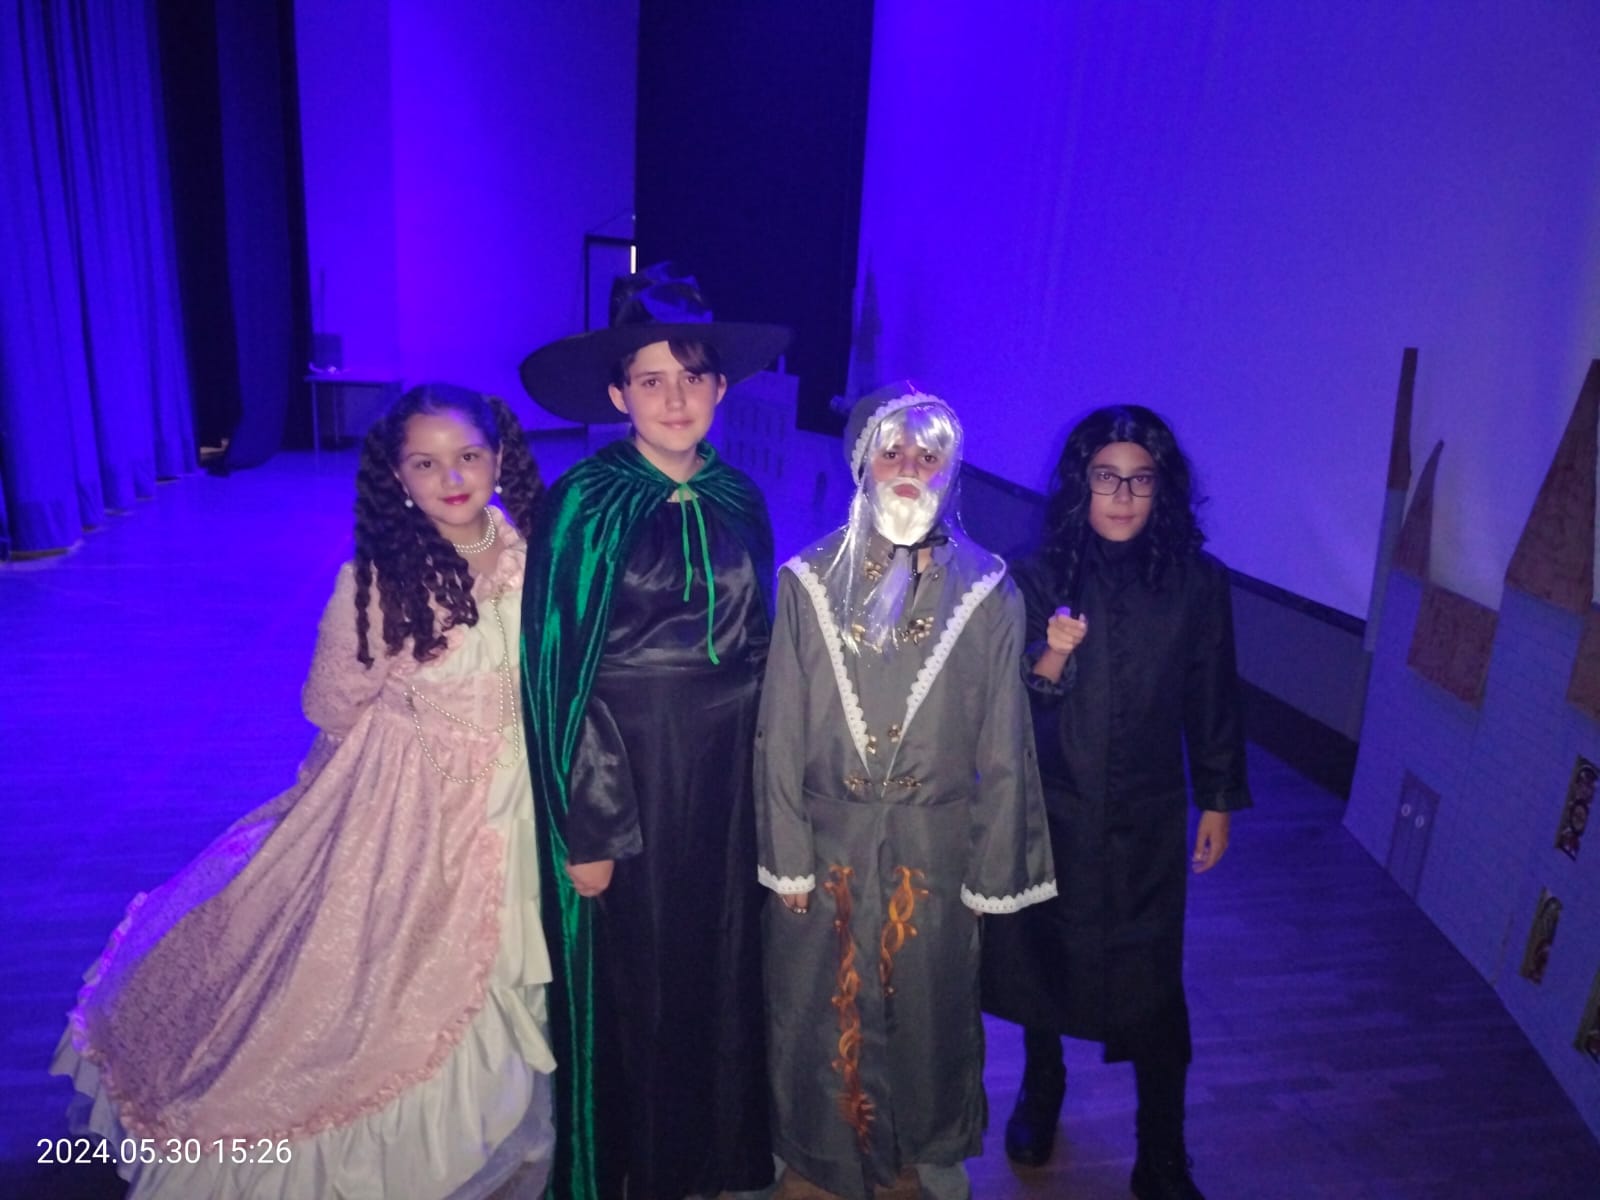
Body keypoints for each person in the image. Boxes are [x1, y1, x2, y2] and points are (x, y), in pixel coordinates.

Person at [52, 383, 555, 1198]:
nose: (453, 478)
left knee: (514, 952)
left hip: (528, 789)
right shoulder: (379, 582)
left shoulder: (538, 554)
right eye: (426, 464)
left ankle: (510, 1100)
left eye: (468, 456)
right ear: (397, 478)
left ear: (500, 459)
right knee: (400, 968)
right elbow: (331, 701)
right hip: (419, 801)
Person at [517, 266, 790, 1200]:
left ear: (721, 387)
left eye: (693, 377)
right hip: (627, 775)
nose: (675, 399)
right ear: (617, 396)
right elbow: (560, 675)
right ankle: (630, 1162)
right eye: (651, 380)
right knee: (638, 975)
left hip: (730, 774)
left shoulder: (740, 496)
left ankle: (710, 1154)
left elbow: (767, 645)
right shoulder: (583, 503)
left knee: (720, 959)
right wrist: (587, 829)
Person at [755, 382, 1057, 1200]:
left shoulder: (988, 590)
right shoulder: (806, 581)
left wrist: (992, 868)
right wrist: (786, 855)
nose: (910, 469)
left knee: (928, 1000)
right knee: (815, 997)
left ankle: (925, 1144)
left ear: (951, 471)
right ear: (862, 464)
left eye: (929, 455)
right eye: (892, 452)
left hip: (933, 842)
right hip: (828, 838)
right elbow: (780, 728)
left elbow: (1004, 739)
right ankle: (806, 1141)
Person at [980, 404, 1251, 1200]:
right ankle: (1042, 1087)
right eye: (1107, 478)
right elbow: (1007, 704)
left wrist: (1217, 797)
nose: (1124, 496)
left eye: (1140, 480)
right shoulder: (1036, 577)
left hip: (1146, 817)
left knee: (1153, 985)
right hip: (1053, 808)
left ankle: (1161, 1152)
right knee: (1042, 960)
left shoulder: (1197, 583)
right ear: (1081, 484)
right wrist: (1051, 656)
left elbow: (1212, 694)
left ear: (1163, 489)